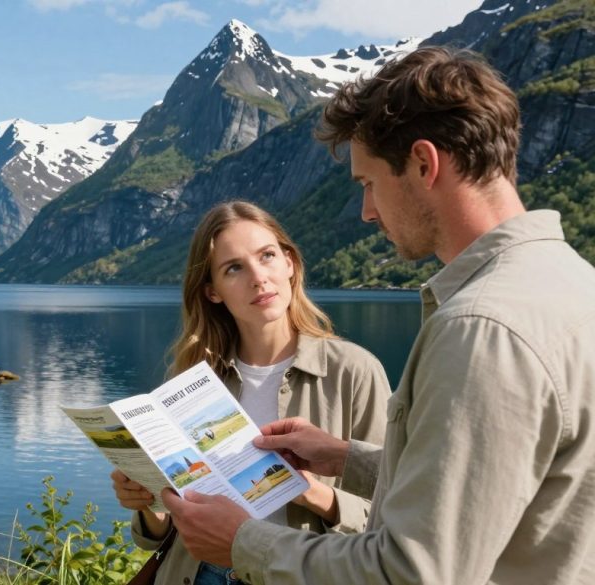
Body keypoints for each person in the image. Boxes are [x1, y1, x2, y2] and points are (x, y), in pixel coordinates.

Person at [161, 47, 595, 585]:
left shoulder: (480, 329)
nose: (368, 211)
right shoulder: (574, 284)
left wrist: (242, 543)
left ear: (424, 164)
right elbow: (499, 481)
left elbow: (411, 572)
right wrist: (347, 457)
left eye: (368, 183)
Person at [111, 201, 391, 584]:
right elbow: (158, 535)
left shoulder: (354, 372)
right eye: (234, 268)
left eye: (267, 256)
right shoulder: (193, 381)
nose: (258, 278)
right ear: (212, 292)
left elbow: (392, 513)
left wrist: (309, 492)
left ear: (289, 263)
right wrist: (148, 501)